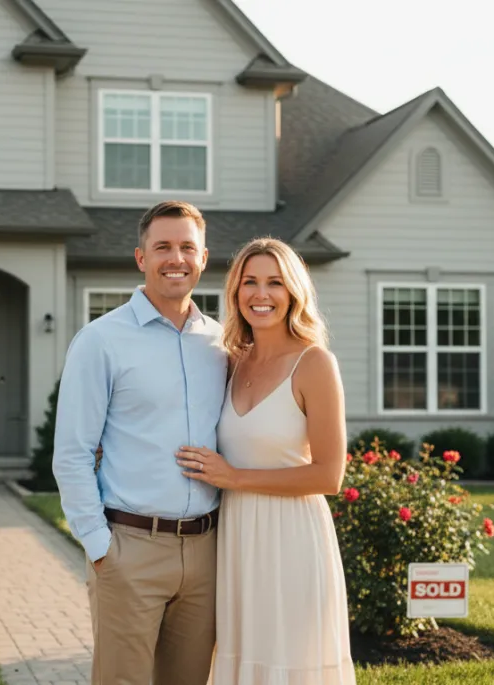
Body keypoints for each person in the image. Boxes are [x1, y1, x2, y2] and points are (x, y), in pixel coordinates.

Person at [52, 200, 227, 685]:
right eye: (163, 246)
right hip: (130, 548)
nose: (176, 258)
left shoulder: (220, 344)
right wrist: (99, 547)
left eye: (187, 247)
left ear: (203, 257)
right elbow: (72, 453)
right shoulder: (101, 340)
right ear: (141, 257)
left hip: (207, 552)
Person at [175, 237, 356, 684]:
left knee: (288, 661)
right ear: (235, 291)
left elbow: (330, 475)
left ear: (293, 291)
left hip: (292, 538)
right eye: (250, 282)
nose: (261, 294)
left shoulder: (314, 363)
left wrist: (234, 477)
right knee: (245, 656)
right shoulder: (231, 362)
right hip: (237, 538)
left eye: (275, 282)